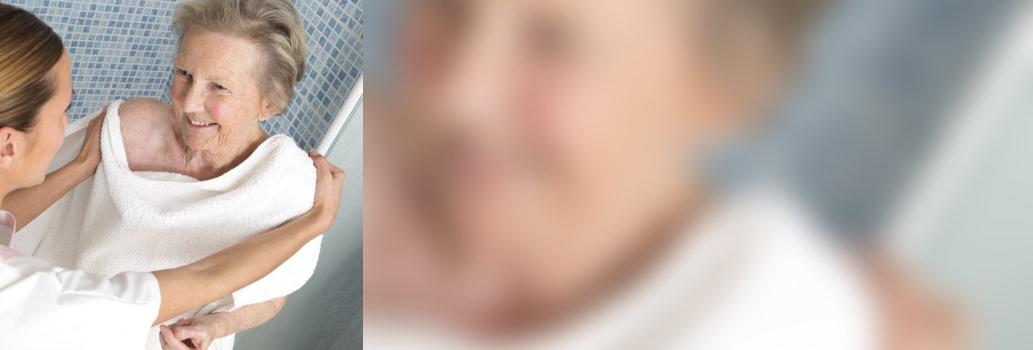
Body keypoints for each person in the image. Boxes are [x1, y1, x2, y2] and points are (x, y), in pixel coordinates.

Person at [376, 0, 963, 348]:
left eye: (553, 42)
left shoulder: (766, 320)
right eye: (448, 9)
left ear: (725, 83)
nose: (458, 95)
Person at [0, 1, 345, 349]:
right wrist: (318, 220)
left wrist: (77, 171)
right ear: (7, 146)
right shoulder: (32, 310)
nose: (75, 121)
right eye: (63, 109)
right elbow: (200, 282)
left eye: (219, 87)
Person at [15, 0, 324, 348]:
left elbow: (272, 292)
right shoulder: (126, 130)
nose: (189, 102)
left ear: (270, 102)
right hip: (65, 327)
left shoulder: (284, 186)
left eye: (218, 87)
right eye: (184, 74)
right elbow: (9, 208)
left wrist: (217, 326)